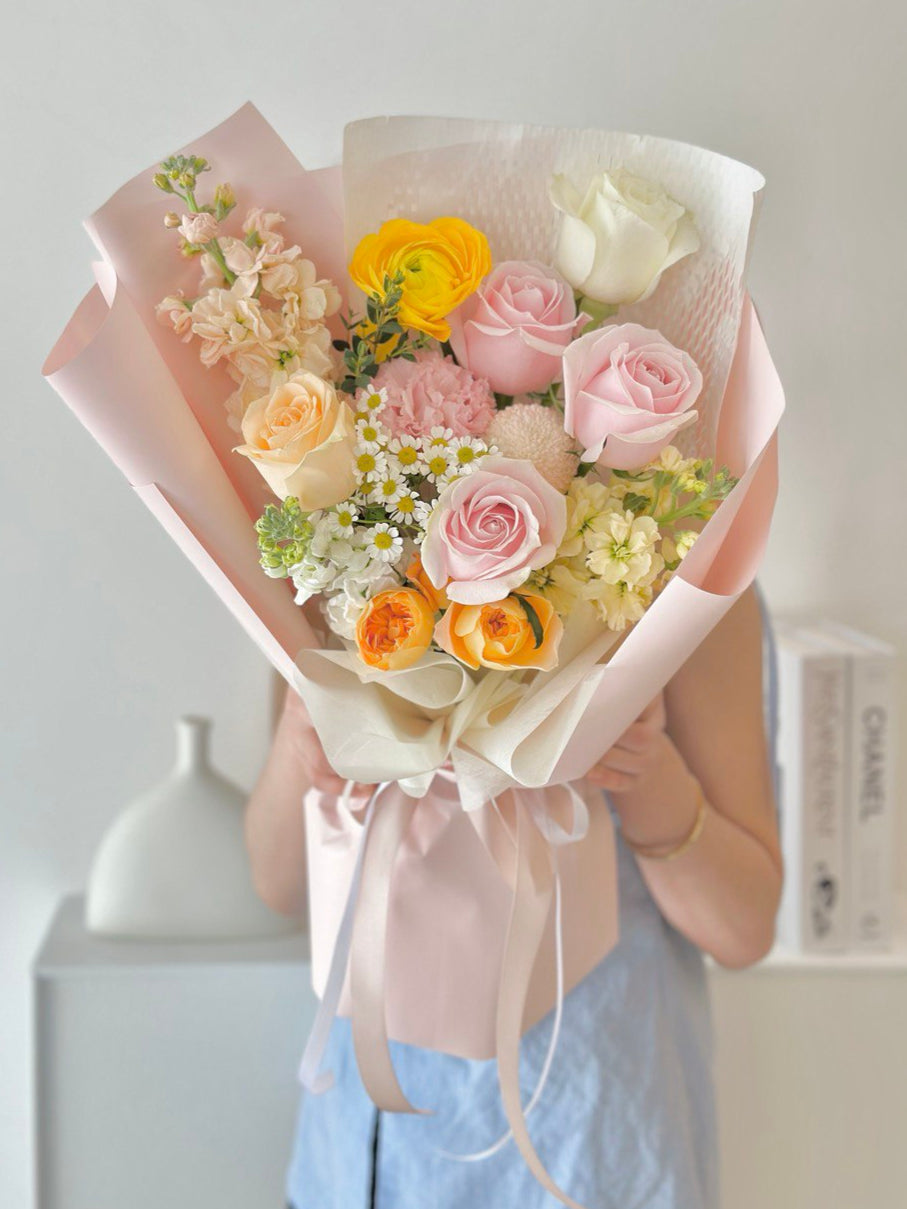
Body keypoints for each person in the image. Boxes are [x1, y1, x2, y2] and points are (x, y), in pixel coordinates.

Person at [245, 583, 782, 1209]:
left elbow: (743, 929)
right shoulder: (324, 567)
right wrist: (300, 745)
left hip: (594, 1139)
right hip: (367, 1149)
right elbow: (280, 886)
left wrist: (643, 772)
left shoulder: (684, 572)